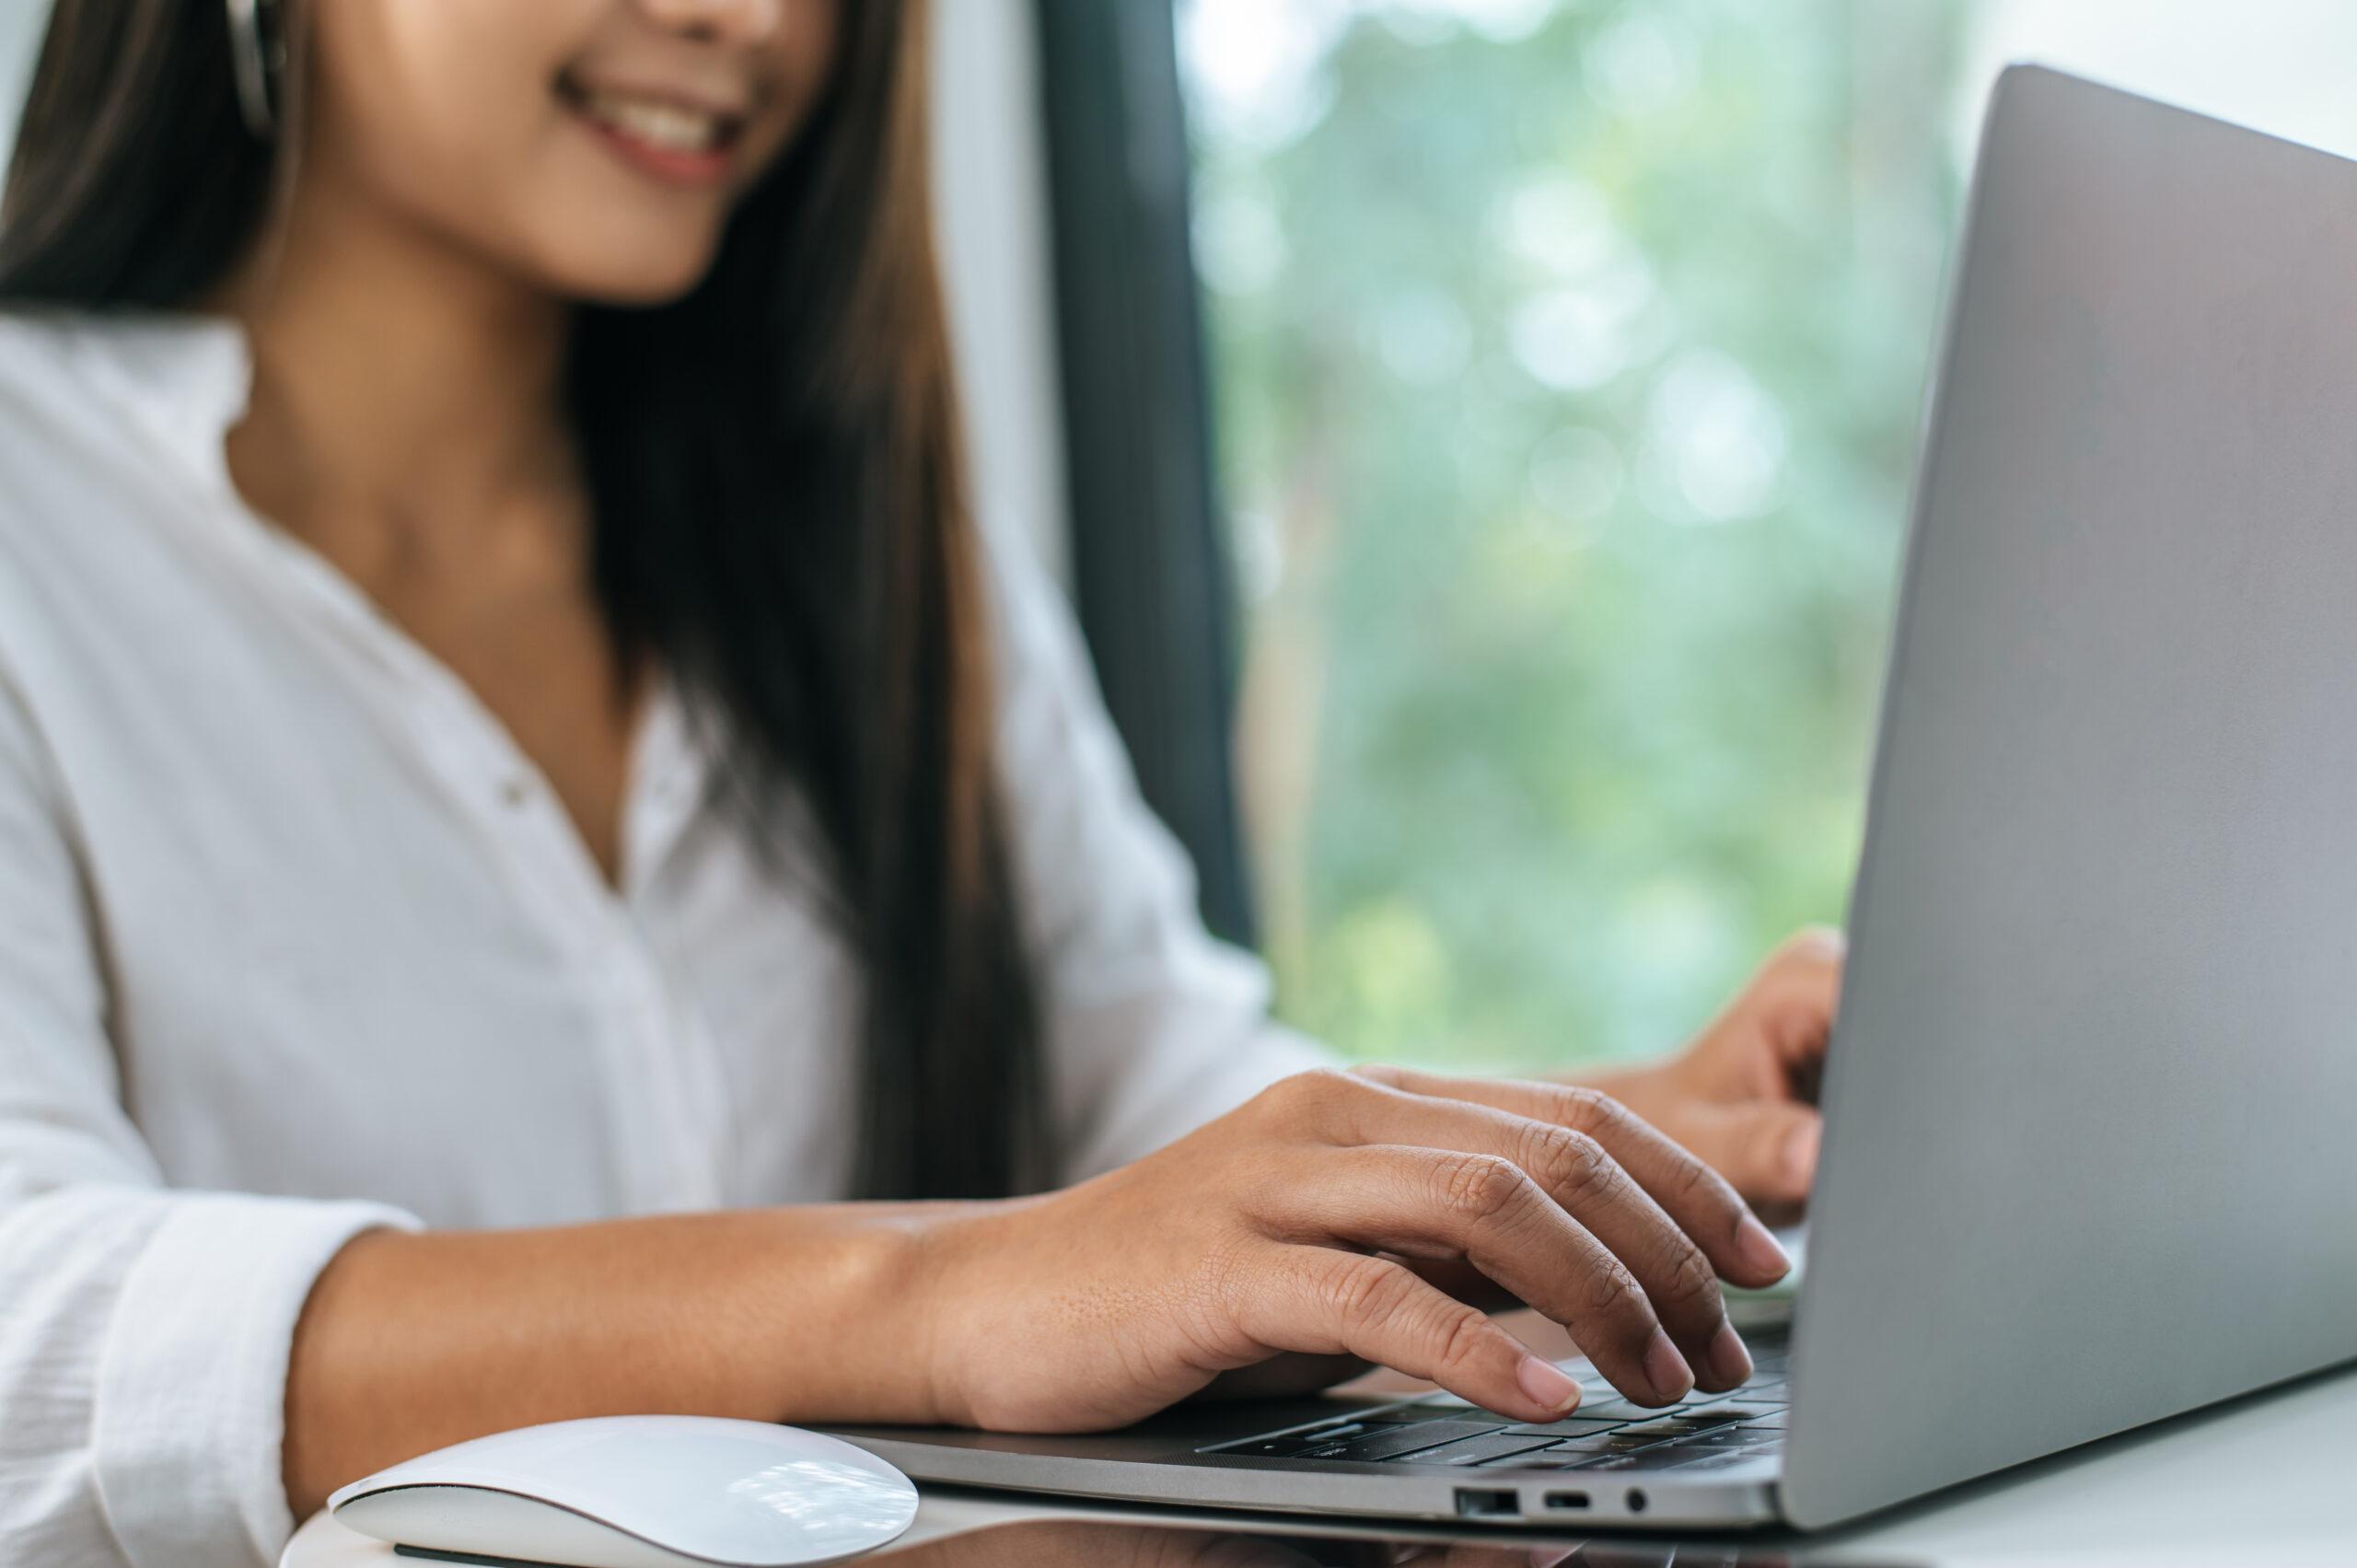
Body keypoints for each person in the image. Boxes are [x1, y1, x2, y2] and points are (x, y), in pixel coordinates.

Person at [0, 4, 1838, 1565]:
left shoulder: (861, 543)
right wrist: (931, 1300)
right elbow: (33, 1328)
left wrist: (1628, 1157)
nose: (759, 22)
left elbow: (1156, 1098)